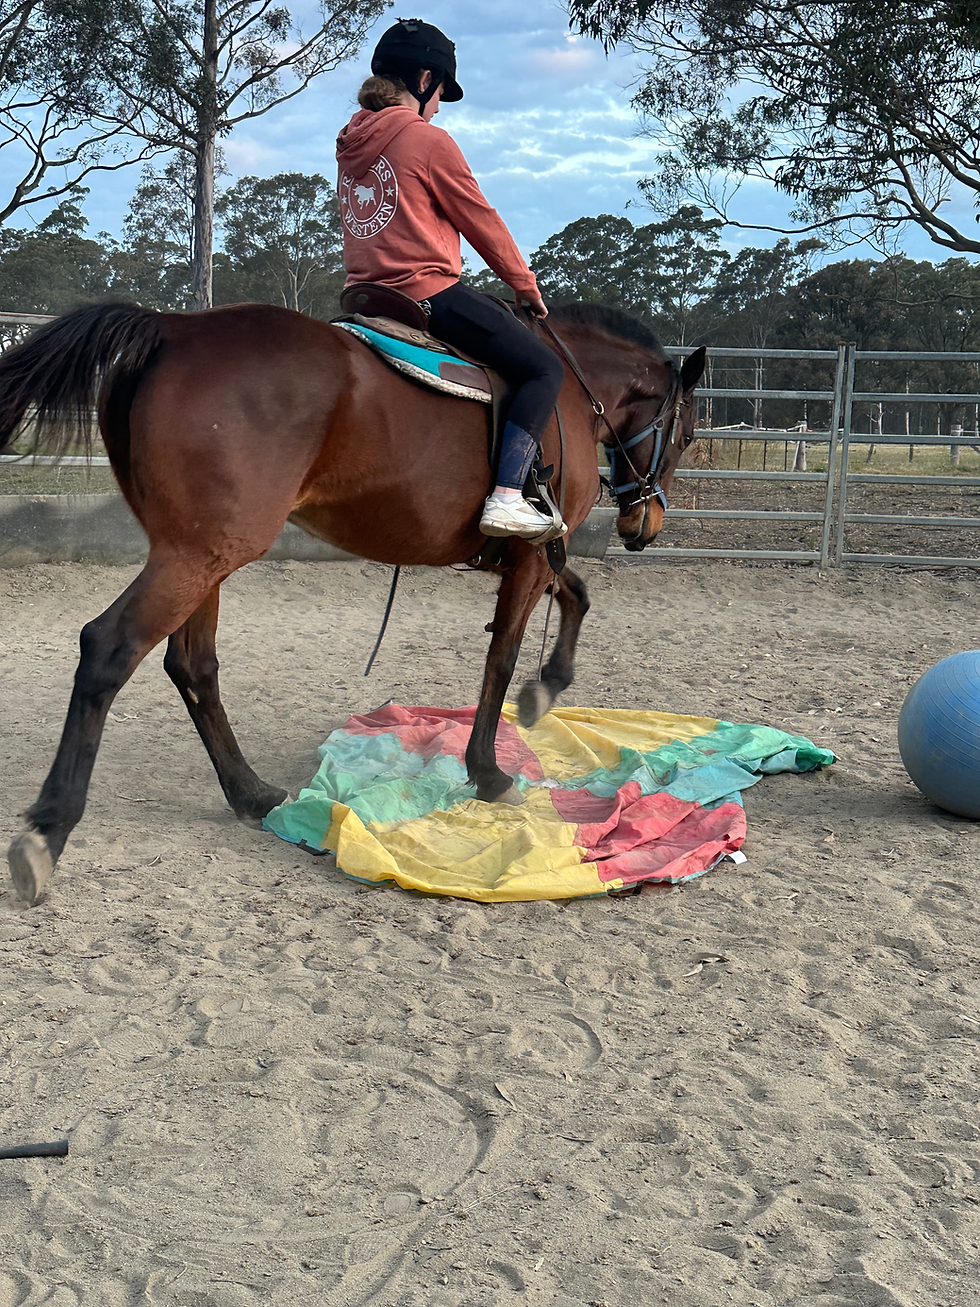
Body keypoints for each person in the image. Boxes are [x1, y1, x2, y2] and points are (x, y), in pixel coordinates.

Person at [336, 18, 566, 539]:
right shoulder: (427, 140)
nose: (438, 107)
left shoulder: (349, 144)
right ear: (424, 80)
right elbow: (481, 221)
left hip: (364, 296)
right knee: (543, 368)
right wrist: (525, 286)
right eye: (440, 93)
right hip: (426, 292)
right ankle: (507, 496)